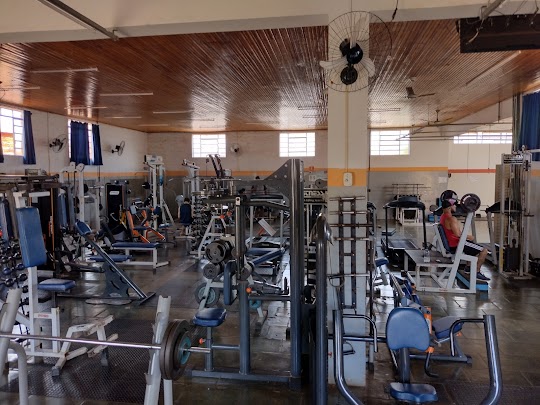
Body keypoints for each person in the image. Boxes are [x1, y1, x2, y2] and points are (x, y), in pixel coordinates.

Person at [440, 199, 490, 281]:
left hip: (452, 243)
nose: (455, 206)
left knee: (472, 245)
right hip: (456, 244)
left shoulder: (442, 216)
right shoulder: (451, 219)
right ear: (449, 207)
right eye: (454, 205)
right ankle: (477, 272)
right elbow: (458, 234)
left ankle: (468, 268)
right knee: (484, 251)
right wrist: (469, 237)